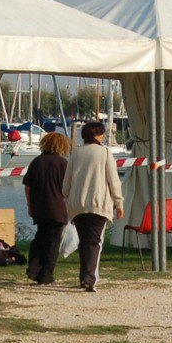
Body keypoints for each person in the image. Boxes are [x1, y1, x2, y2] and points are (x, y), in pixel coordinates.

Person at [61, 122, 124, 292]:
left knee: (84, 242)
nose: (103, 137)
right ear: (97, 135)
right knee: (94, 242)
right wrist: (119, 202)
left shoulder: (75, 153)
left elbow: (66, 183)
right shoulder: (104, 152)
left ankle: (85, 276)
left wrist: (67, 197)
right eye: (102, 134)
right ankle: (89, 278)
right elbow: (113, 180)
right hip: (98, 202)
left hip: (77, 204)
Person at [23, 130, 71, 285]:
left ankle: (34, 267)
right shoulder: (63, 164)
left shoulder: (37, 162)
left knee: (40, 238)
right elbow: (69, 188)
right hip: (58, 207)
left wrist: (30, 204)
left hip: (40, 206)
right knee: (53, 242)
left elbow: (28, 186)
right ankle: (46, 274)